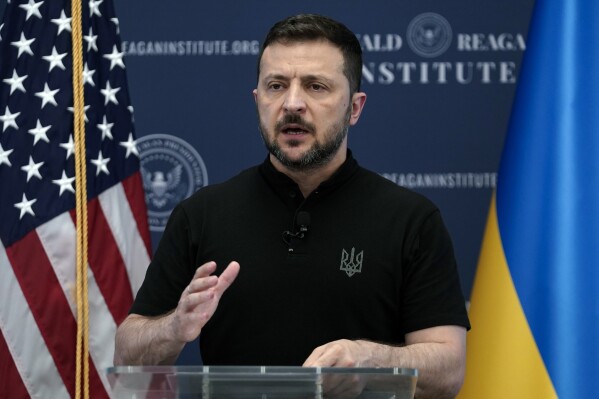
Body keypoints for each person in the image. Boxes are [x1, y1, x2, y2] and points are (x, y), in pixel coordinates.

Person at [114, 13, 470, 399]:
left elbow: (448, 369)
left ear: (355, 107)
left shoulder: (411, 220)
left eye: (316, 86)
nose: (292, 103)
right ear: (258, 100)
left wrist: (369, 357)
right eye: (276, 86)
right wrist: (173, 327)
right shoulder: (200, 215)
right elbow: (127, 351)